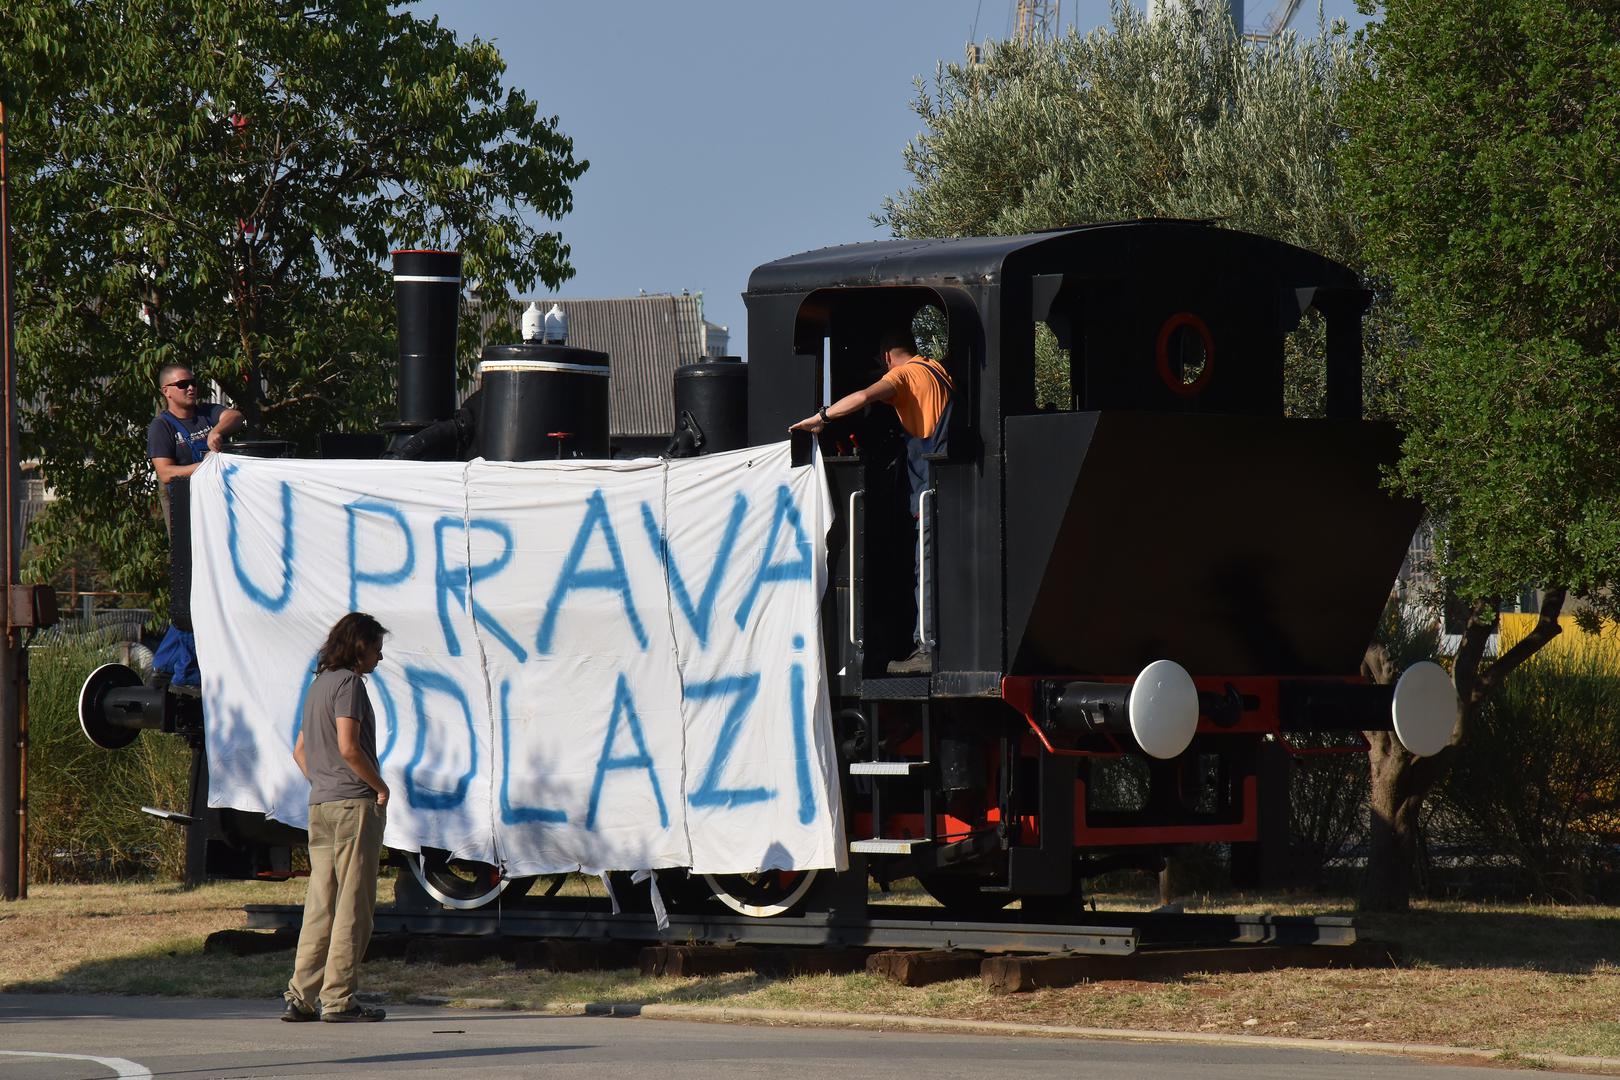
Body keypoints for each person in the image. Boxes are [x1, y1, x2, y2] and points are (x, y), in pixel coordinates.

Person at [790, 329, 953, 674]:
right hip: (942, 487)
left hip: (928, 488)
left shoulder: (904, 375)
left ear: (888, 356)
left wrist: (822, 418)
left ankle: (926, 647)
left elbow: (865, 396)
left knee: (924, 566)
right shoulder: (936, 370)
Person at [283, 612, 391, 1023]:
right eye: (377, 648)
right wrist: (379, 787)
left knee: (321, 902)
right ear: (359, 647)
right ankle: (339, 999)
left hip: (321, 805)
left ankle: (301, 996)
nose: (380, 657)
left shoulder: (318, 686)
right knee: (354, 905)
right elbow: (349, 747)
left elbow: (300, 751)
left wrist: (323, 782)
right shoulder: (349, 685)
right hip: (353, 806)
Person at [146, 363, 245, 530]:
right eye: (183, 384)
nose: (191, 388)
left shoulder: (208, 412)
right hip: (192, 512)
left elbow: (236, 416)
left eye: (193, 383)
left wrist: (216, 431)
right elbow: (165, 473)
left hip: (224, 504)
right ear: (166, 391)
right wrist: (208, 465)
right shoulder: (161, 426)